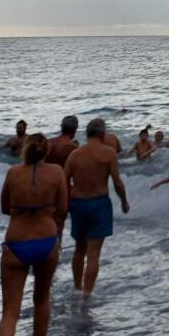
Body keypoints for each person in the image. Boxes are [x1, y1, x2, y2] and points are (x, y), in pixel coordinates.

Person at [0, 134, 67, 336]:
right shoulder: (57, 172)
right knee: (42, 300)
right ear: (46, 152)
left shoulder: (13, 172)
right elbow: (63, 209)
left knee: (10, 312)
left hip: (16, 241)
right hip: (46, 240)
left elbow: (4, 207)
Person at [64, 118, 129, 296]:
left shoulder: (75, 155)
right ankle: (87, 294)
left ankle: (77, 287)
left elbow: (63, 182)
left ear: (86, 134)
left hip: (77, 204)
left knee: (79, 248)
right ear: (102, 134)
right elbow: (117, 183)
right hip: (99, 203)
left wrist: (64, 206)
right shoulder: (108, 153)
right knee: (93, 254)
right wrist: (124, 201)